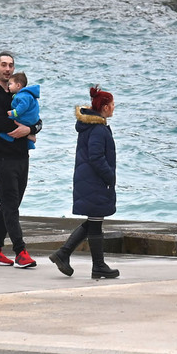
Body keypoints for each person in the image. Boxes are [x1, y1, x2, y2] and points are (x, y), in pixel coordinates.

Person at [49, 85, 120, 279]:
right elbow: (96, 157)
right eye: (112, 104)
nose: (114, 107)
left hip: (89, 181)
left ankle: (63, 253)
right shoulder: (97, 129)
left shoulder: (94, 126)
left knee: (93, 221)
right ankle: (98, 266)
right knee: (95, 223)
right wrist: (109, 177)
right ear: (105, 107)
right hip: (94, 182)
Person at [0, 51, 42, 268]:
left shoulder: (20, 93)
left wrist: (31, 128)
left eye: (11, 66)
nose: (8, 69)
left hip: (21, 155)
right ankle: (20, 251)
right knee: (9, 204)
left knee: (11, 204)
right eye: (4, 65)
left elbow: (36, 118)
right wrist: (25, 129)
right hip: (0, 156)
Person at [0, 72, 40, 150]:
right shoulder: (26, 95)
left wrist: (14, 113)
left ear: (18, 85)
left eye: (10, 84)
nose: (8, 86)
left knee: (10, 119)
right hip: (33, 119)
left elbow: (23, 106)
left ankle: (7, 136)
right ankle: (30, 141)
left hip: (26, 118)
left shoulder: (23, 96)